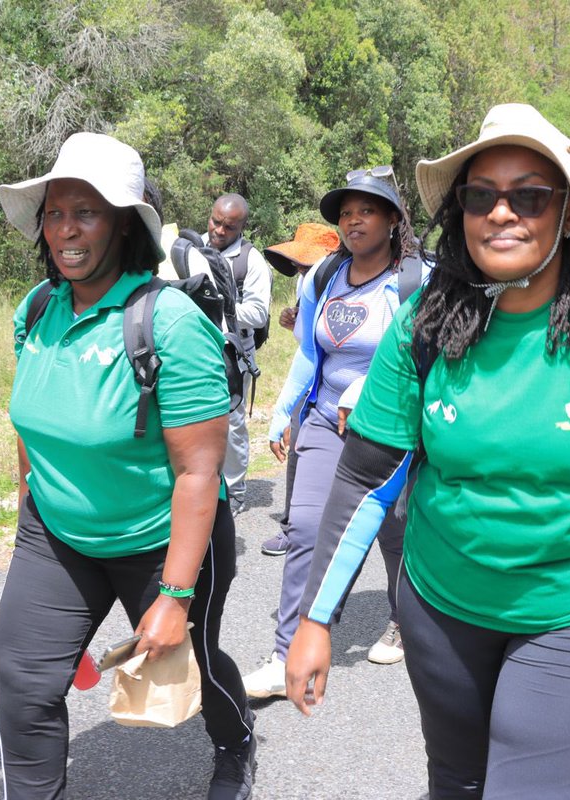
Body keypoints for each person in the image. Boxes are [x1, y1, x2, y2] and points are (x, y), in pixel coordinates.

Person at [285, 103, 570, 799]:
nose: (502, 213)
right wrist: (314, 619)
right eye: (481, 196)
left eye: (529, 195)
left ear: (567, 215)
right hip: (443, 610)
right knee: (458, 787)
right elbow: (369, 481)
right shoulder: (427, 320)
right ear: (460, 214)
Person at [0, 132, 255, 800]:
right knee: (24, 683)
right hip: (55, 535)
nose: (65, 229)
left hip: (161, 541)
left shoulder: (169, 323)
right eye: (54, 212)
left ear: (123, 224)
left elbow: (200, 471)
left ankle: (235, 742)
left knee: (197, 659)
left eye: (87, 211)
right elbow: (32, 422)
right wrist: (32, 499)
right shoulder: (37, 310)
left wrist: (173, 596)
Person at [243, 168, 424, 699]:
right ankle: (286, 653)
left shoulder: (414, 281)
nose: (353, 220)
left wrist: (367, 388)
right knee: (303, 528)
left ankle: (404, 623)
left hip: (391, 430)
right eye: (346, 212)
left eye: (367, 210)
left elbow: (424, 355)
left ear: (393, 219)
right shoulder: (326, 274)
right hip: (325, 421)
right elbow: (309, 350)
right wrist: (283, 410)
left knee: (394, 534)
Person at [259, 223, 341, 558]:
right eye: (298, 264)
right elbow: (307, 342)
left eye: (306, 264)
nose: (299, 269)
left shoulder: (342, 279)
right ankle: (294, 527)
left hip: (343, 384)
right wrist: (294, 320)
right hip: (310, 377)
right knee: (298, 449)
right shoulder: (309, 280)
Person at [205, 193, 274, 515]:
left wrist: (216, 310)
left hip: (233, 355)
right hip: (193, 351)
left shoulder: (252, 262)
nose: (218, 231)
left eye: (228, 227)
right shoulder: (190, 248)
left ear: (242, 227)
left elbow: (259, 313)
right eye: (215, 221)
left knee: (231, 423)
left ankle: (234, 490)